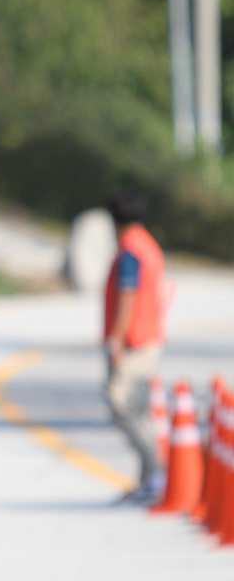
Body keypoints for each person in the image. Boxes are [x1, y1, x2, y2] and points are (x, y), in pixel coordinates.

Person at [103, 188, 167, 504]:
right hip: (149, 337)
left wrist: (116, 339)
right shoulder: (148, 245)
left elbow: (127, 297)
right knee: (138, 409)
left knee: (120, 402)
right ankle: (148, 479)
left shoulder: (129, 248)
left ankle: (157, 471)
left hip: (134, 341)